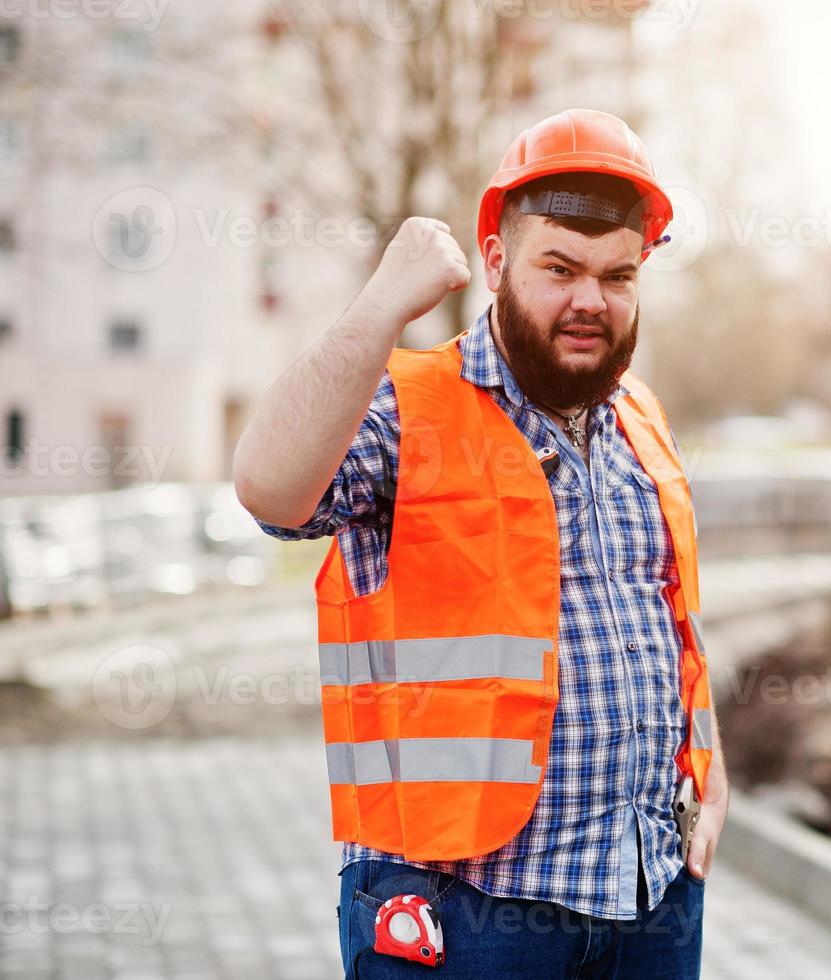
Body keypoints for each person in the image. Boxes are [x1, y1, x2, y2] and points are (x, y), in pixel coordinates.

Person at [233, 108, 727, 979]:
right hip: (463, 908)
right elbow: (270, 490)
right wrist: (382, 304)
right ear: (495, 260)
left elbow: (667, 617)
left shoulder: (641, 420)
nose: (589, 299)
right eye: (559, 267)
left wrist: (709, 763)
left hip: (650, 899)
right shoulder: (407, 408)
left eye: (617, 275)